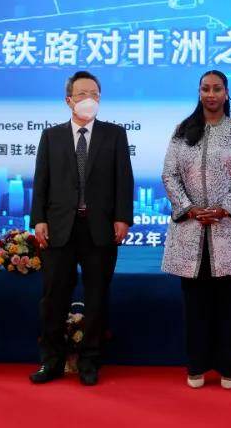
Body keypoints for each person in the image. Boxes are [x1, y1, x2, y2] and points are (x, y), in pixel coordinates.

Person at [161, 70, 231, 389]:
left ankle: (229, 367)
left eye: (217, 89)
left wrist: (225, 208)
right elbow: (169, 175)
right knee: (195, 307)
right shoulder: (183, 130)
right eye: (205, 89)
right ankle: (196, 366)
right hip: (191, 231)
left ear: (226, 92)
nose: (211, 94)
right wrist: (190, 208)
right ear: (199, 92)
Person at [29, 70, 133, 386]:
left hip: (100, 228)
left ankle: (89, 361)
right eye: (82, 94)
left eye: (94, 94)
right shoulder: (51, 136)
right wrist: (39, 220)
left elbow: (123, 179)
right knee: (53, 299)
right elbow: (41, 181)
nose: (89, 99)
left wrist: (123, 218)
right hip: (59, 228)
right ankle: (51, 361)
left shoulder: (114, 135)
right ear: (68, 100)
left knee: (97, 297)